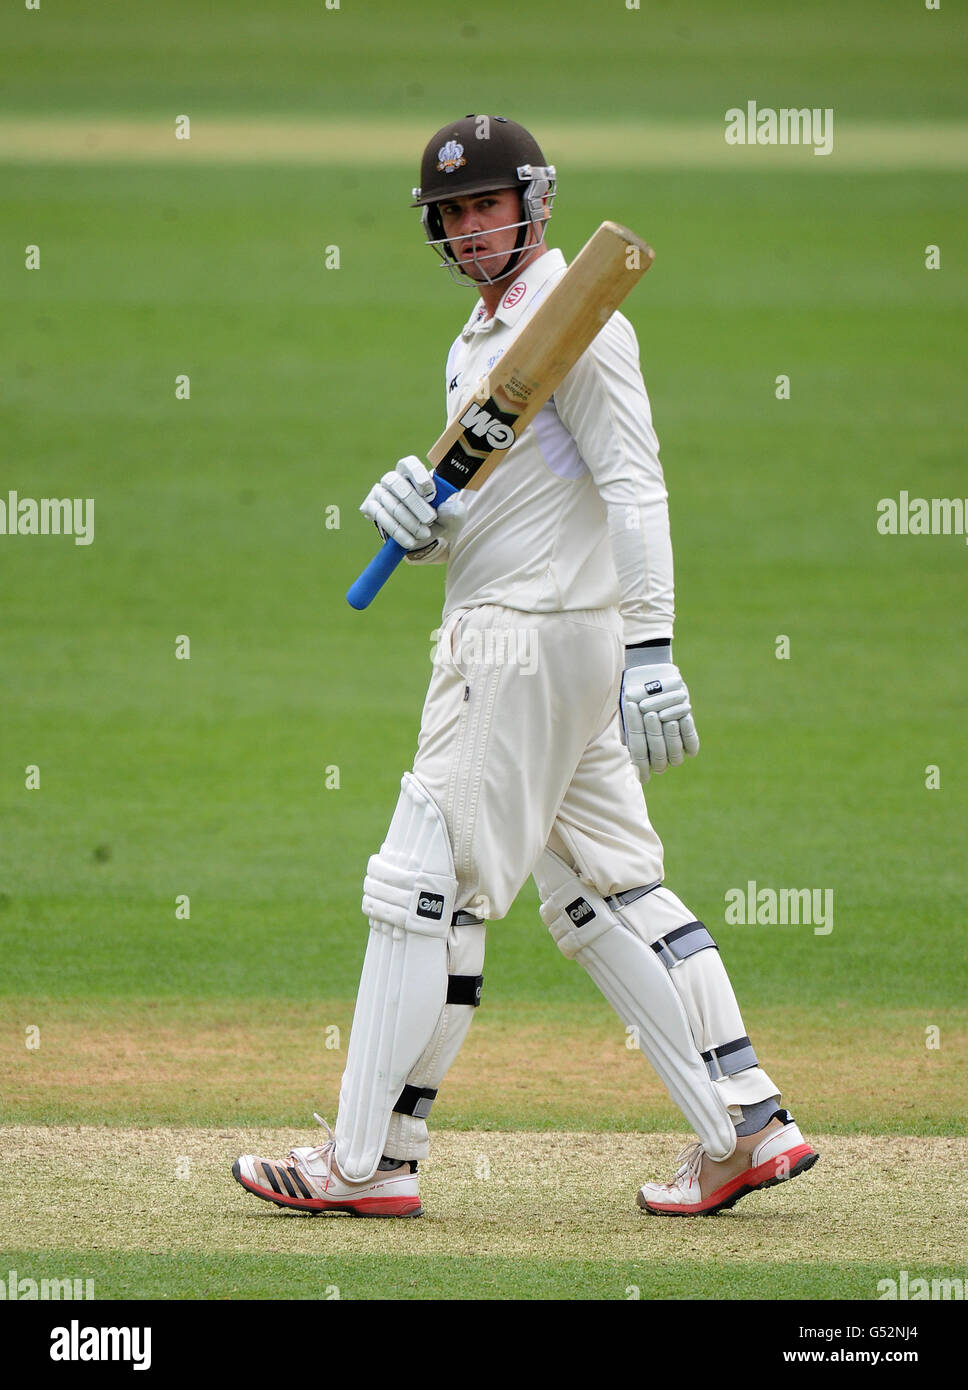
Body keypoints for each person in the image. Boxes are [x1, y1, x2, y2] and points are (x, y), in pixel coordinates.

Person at [233, 115, 818, 1219]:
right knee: (604, 890)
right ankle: (743, 1120)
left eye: (483, 206)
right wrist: (421, 527)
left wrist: (653, 649)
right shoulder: (475, 341)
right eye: (449, 215)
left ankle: (362, 1163)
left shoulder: (578, 323)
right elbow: (501, 506)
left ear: (533, 204)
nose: (466, 230)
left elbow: (635, 490)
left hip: (522, 640)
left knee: (419, 887)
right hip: (533, 630)